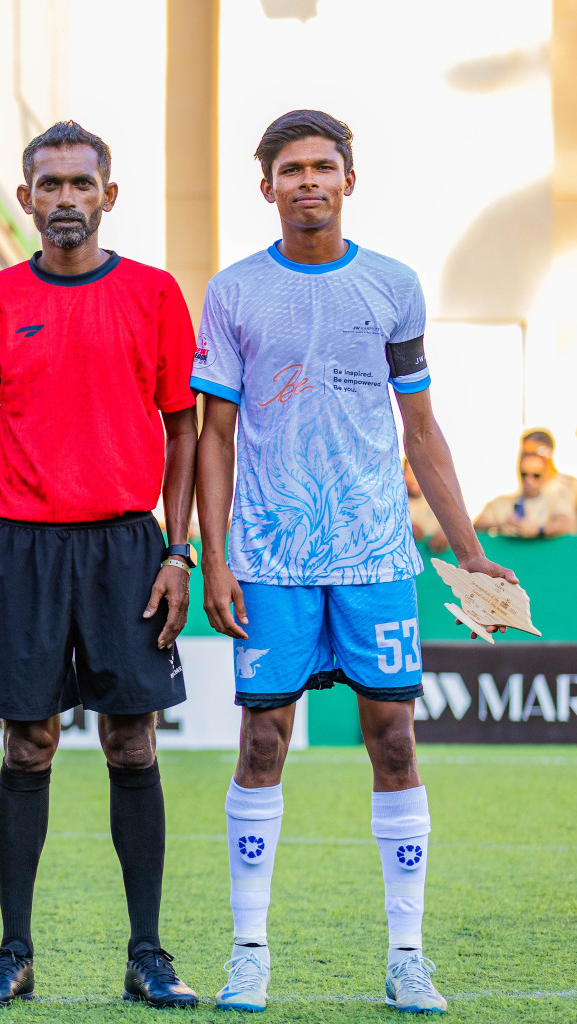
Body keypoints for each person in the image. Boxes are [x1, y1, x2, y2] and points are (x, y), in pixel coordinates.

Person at [192, 110, 517, 1014]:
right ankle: (249, 951)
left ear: (348, 179)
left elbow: (422, 427)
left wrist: (472, 551)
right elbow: (214, 436)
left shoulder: (394, 286)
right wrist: (214, 556)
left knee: (395, 741)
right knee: (263, 741)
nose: (307, 181)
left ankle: (407, 955)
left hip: (375, 551)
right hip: (272, 553)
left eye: (323, 167)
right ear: (266, 187)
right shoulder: (233, 291)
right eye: (290, 169)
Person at [0, 120, 199, 1009]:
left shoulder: (156, 295)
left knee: (131, 743)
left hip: (128, 547)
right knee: (30, 743)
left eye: (79, 184)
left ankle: (148, 953)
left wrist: (178, 548)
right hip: (22, 547)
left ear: (108, 196)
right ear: (25, 198)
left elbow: (183, 429)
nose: (63, 199)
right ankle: (14, 950)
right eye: (47, 185)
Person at [473, 450, 575, 538]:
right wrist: (501, 525)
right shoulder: (501, 503)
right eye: (524, 474)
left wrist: (538, 530)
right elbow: (476, 525)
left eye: (535, 475)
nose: (529, 480)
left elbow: (563, 523)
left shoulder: (554, 500)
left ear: (544, 476)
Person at [403, 460, 446, 553]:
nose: (413, 479)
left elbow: (449, 524)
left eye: (418, 473)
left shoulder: (437, 501)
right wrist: (407, 527)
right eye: (409, 473)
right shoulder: (395, 502)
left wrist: (443, 535)